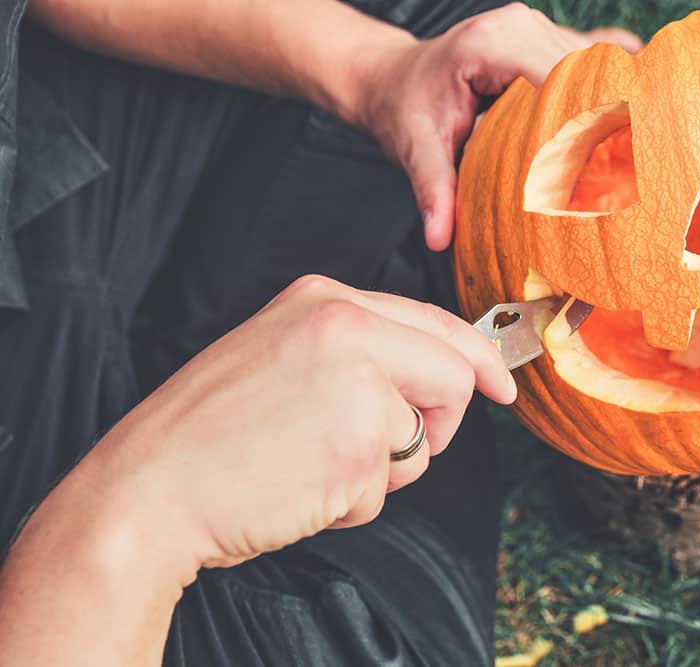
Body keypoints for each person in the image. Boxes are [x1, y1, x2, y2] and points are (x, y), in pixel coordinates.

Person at [0, 1, 642, 665]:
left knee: (456, 49)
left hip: (44, 148)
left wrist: (378, 70)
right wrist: (143, 520)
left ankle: (450, 205)